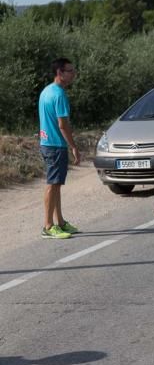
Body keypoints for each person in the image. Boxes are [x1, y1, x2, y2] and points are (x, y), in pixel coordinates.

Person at [39, 57, 81, 239]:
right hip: (55, 145)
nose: (74, 74)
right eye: (70, 71)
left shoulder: (46, 91)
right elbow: (63, 125)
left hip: (47, 143)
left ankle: (60, 222)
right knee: (52, 184)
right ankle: (48, 226)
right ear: (60, 73)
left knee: (56, 185)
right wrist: (73, 147)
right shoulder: (59, 95)